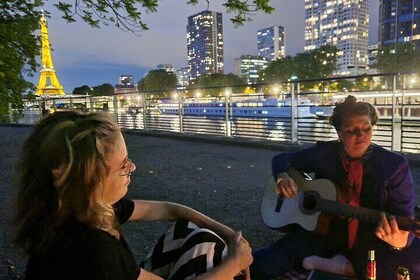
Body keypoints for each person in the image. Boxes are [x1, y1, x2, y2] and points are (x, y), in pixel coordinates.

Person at [13, 110, 253, 280]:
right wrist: (234, 263)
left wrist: (229, 234)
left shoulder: (77, 211)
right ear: (89, 179)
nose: (133, 167)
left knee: (197, 234)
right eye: (123, 164)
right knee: (213, 254)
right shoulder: (93, 251)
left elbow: (168, 209)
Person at [250, 95, 420, 280]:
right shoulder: (325, 154)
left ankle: (335, 265)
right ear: (339, 133)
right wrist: (282, 176)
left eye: (366, 128)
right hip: (321, 233)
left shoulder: (394, 166)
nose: (361, 134)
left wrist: (399, 241)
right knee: (260, 265)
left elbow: (403, 214)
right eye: (351, 130)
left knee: (407, 270)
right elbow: (282, 159)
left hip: (368, 239)